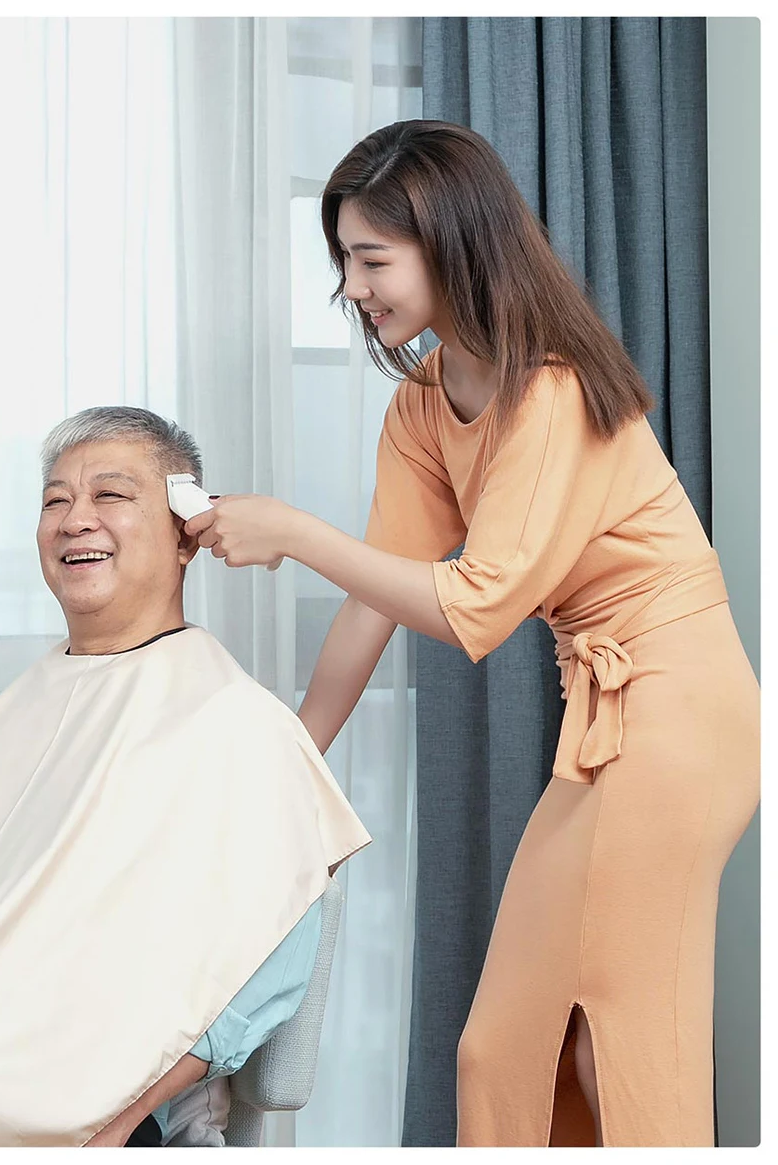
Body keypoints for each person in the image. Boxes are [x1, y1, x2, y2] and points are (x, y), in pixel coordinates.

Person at [183, 120, 760, 1147]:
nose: (353, 287)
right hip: (606, 720)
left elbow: (474, 606)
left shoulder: (554, 386)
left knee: (620, 1041)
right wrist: (297, 755)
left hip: (679, 711)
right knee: (502, 1050)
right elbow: (377, 596)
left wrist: (296, 533)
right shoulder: (423, 404)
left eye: (372, 259)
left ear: (451, 238)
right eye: (344, 261)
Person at [0, 406, 371, 1148]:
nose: (75, 520)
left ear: (186, 533)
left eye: (110, 495)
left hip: (89, 1097)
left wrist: (127, 1118)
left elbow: (273, 963)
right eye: (56, 501)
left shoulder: (232, 720)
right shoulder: (18, 712)